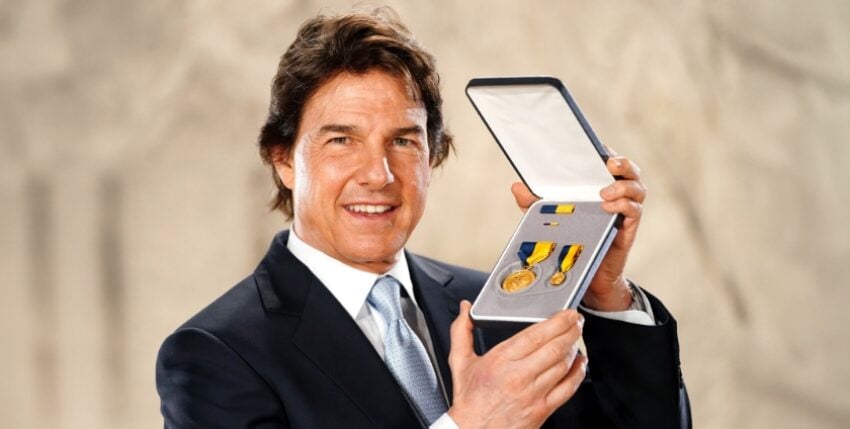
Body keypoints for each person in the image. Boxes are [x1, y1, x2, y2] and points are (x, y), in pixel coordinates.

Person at [156, 7, 690, 429]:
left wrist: (605, 293)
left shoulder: (499, 307)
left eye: (403, 141)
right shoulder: (215, 355)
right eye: (342, 140)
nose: (379, 174)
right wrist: (471, 425)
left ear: (432, 157)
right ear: (283, 160)